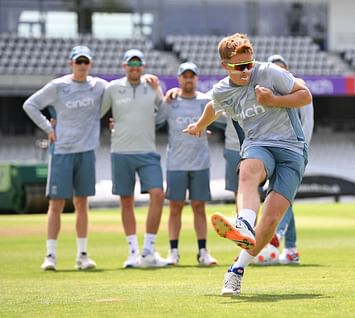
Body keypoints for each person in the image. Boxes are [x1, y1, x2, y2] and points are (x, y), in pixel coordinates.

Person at [184, 33, 312, 296]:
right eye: (239, 67)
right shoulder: (222, 90)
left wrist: (273, 101)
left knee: (272, 218)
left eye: (249, 64)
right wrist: (199, 126)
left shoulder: (270, 72)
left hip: (292, 147)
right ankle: (243, 222)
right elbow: (213, 107)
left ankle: (236, 269)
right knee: (248, 170)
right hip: (258, 143)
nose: (246, 71)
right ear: (225, 66)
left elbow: (305, 96)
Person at [23, 46, 105, 271]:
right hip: (62, 151)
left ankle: (82, 255)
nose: (81, 65)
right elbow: (30, 105)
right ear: (71, 64)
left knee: (82, 203)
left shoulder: (98, 86)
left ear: (90, 64)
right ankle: (50, 255)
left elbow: (120, 91)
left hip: (86, 150)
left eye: (85, 61)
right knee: (56, 204)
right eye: (78, 61)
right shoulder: (59, 86)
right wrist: (47, 126)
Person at [100, 49, 168, 268]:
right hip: (120, 152)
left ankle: (148, 251)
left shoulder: (153, 87)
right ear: (124, 67)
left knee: (158, 194)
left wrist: (161, 91)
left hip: (147, 151)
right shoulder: (112, 88)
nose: (135, 68)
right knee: (126, 200)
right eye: (131, 64)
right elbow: (97, 114)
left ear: (143, 67)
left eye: (138, 65)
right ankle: (132, 253)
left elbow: (165, 111)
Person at [156, 62, 217, 266]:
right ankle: (173, 251)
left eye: (192, 76)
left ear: (196, 78)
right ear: (179, 79)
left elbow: (222, 119)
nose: (188, 79)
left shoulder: (205, 100)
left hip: (200, 161)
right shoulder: (170, 102)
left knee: (199, 207)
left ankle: (202, 251)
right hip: (176, 162)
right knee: (175, 207)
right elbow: (155, 122)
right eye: (185, 76)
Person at [263, 54, 314, 265]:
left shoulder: (298, 90)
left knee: (282, 195)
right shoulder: (265, 93)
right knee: (283, 196)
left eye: (282, 69)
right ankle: (291, 249)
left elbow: (307, 122)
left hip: (293, 152)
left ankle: (277, 237)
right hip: (273, 151)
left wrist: (302, 151)